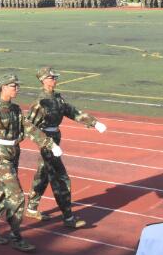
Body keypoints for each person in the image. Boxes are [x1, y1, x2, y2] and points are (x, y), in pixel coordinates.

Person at [0, 74, 61, 253]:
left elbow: (29, 128)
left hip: (14, 152)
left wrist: (50, 144)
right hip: (1, 154)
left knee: (1, 192)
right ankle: (16, 237)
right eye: (13, 86)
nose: (17, 88)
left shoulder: (15, 109)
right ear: (3, 87)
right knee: (16, 196)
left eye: (17, 86)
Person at [24, 66, 107, 228]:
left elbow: (71, 111)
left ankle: (32, 208)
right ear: (43, 80)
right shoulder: (40, 102)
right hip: (47, 142)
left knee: (43, 174)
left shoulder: (57, 98)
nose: (54, 80)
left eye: (55, 77)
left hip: (55, 138)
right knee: (61, 178)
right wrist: (47, 143)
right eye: (51, 78)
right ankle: (68, 217)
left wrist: (94, 123)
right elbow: (28, 126)